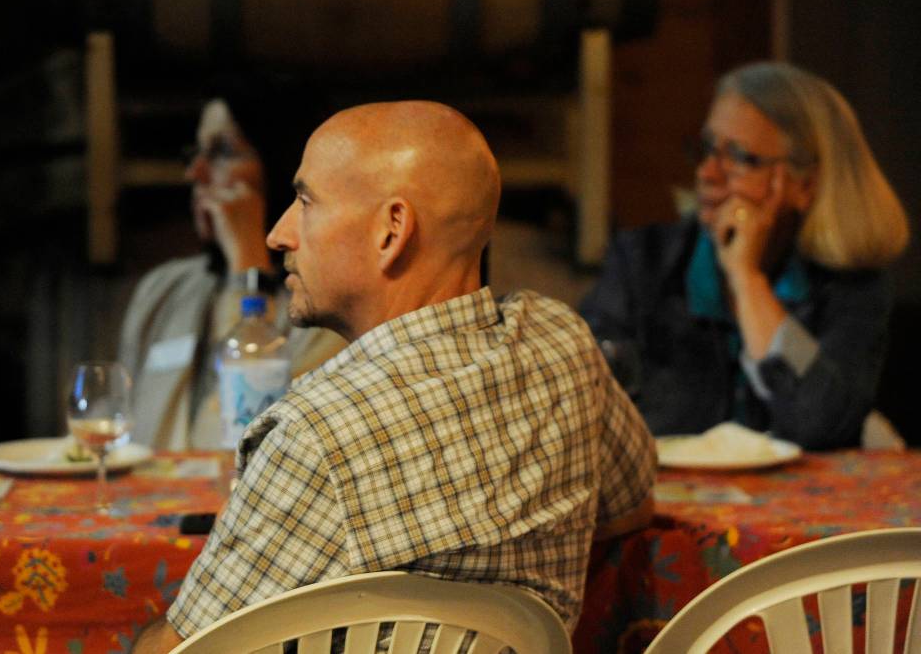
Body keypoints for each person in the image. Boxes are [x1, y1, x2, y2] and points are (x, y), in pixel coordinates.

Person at [132, 101, 656, 652]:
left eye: (305, 203)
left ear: (392, 231)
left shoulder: (316, 435)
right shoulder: (561, 342)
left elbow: (179, 649)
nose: (278, 235)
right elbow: (630, 508)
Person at [581, 61, 909, 450]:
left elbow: (824, 423)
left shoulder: (849, 284)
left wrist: (747, 280)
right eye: (708, 149)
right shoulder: (642, 262)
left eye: (740, 158)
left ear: (805, 184)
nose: (707, 173)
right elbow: (583, 399)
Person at [119, 100, 346, 450]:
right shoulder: (162, 288)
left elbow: (246, 438)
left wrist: (247, 265)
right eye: (195, 153)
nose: (196, 173)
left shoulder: (323, 303)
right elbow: (120, 431)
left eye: (224, 152)